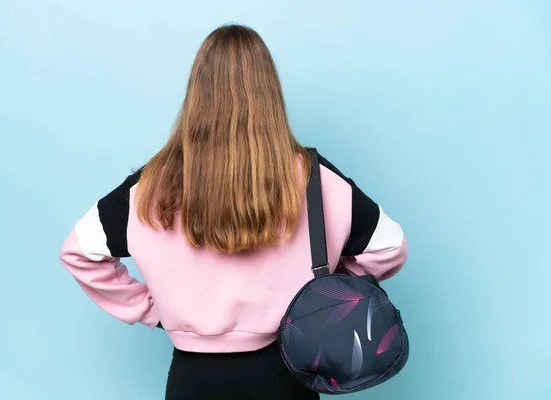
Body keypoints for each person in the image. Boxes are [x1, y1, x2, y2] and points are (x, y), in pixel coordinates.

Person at [59, 24, 408, 400]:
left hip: (192, 379)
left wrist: (153, 310)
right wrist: (319, 295)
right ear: (268, 92)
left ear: (198, 93)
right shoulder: (311, 176)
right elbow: (389, 247)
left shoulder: (151, 183)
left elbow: (78, 251)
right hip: (286, 375)